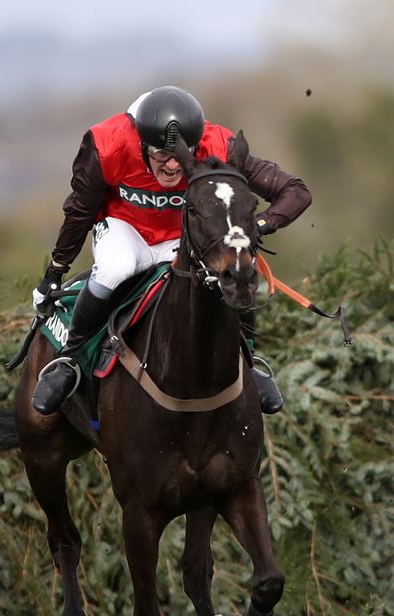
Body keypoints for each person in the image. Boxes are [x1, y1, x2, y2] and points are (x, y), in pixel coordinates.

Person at [30, 85, 311, 416]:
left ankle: (250, 360)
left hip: (181, 236)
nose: (172, 166)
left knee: (233, 270)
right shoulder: (107, 145)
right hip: (125, 228)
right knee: (115, 269)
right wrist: (56, 270)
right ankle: (70, 358)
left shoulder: (219, 146)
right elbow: (80, 211)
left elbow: (296, 191)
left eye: (181, 154)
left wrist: (256, 227)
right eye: (160, 155)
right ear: (141, 144)